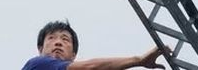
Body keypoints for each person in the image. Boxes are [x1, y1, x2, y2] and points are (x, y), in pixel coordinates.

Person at [21, 20, 166, 70]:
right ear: (40, 49)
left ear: (74, 55)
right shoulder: (38, 64)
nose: (58, 42)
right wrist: (138, 60)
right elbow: (91, 67)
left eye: (65, 39)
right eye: (51, 38)